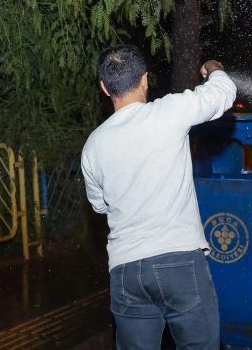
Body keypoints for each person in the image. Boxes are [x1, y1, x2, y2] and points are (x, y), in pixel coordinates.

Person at [81, 44, 236, 349]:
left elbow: (99, 204)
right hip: (178, 260)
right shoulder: (168, 112)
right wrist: (213, 68)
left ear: (104, 87)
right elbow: (224, 92)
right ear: (145, 80)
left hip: (125, 271)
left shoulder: (92, 145)